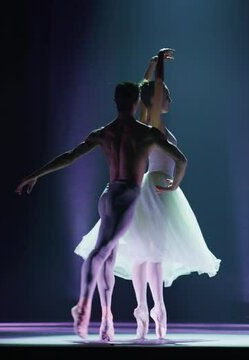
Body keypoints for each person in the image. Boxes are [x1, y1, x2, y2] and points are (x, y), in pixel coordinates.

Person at [16, 50, 186, 341]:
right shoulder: (146, 133)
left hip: (108, 194)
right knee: (102, 251)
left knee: (109, 255)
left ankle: (106, 318)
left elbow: (69, 157)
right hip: (128, 196)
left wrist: (35, 174)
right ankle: (83, 304)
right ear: (136, 104)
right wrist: (157, 65)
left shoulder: (104, 132)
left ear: (117, 102)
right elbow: (180, 158)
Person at [75, 49, 220, 340]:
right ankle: (151, 308)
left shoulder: (151, 124)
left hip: (158, 189)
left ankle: (150, 309)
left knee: (150, 252)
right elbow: (147, 94)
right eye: (165, 93)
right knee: (148, 252)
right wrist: (159, 68)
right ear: (153, 99)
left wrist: (152, 66)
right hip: (152, 188)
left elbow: (143, 94)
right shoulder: (150, 123)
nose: (169, 98)